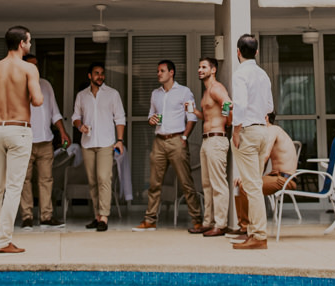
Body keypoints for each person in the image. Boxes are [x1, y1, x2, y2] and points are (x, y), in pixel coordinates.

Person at [0, 26, 43, 255]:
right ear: (22, 44)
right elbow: (37, 100)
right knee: (14, 187)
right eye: (29, 41)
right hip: (19, 130)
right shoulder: (28, 68)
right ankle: (3, 240)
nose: (30, 44)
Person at [132, 59, 203, 232]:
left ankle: (197, 220)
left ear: (171, 73)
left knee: (186, 182)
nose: (158, 74)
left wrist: (185, 137)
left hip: (177, 140)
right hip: (159, 141)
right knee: (154, 183)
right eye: (158, 71)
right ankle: (150, 220)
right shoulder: (155, 94)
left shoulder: (184, 92)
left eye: (162, 71)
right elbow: (151, 115)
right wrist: (151, 120)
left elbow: (192, 117)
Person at [229, 33, 274, 250]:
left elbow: (239, 104)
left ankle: (258, 235)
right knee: (253, 183)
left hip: (246, 131)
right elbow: (269, 107)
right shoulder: (263, 74)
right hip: (262, 131)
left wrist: (236, 131)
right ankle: (253, 231)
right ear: (256, 52)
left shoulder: (240, 74)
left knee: (252, 185)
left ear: (238, 52)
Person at [72, 63, 127, 232]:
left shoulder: (112, 94)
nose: (100, 76)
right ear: (89, 76)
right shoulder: (82, 96)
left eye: (102, 73)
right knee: (93, 181)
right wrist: (80, 126)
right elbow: (76, 116)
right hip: (87, 143)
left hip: (106, 143)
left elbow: (120, 118)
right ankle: (97, 216)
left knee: (104, 178)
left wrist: (119, 140)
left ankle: (104, 216)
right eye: (97, 73)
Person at [18, 54, 71, 231]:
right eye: (30, 65)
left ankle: (46, 216)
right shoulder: (17, 85)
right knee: (24, 180)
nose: (34, 68)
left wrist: (62, 132)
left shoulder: (45, 85)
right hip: (24, 140)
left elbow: (54, 112)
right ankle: (26, 217)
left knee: (46, 179)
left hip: (46, 140)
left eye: (36, 65)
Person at [233, 112, 298, 236]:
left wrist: (247, 177)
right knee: (241, 185)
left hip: (284, 179)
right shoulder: (269, 131)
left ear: (266, 118)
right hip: (275, 176)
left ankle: (247, 228)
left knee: (245, 186)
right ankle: (244, 227)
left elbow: (265, 155)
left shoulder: (273, 129)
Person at [191, 56, 231, 237]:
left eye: (204, 67)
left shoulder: (216, 88)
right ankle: (208, 222)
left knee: (218, 184)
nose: (200, 70)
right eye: (199, 67)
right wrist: (194, 112)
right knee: (206, 184)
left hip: (217, 139)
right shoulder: (206, 92)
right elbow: (208, 116)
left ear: (213, 70)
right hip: (206, 140)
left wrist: (227, 123)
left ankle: (221, 224)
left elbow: (228, 104)